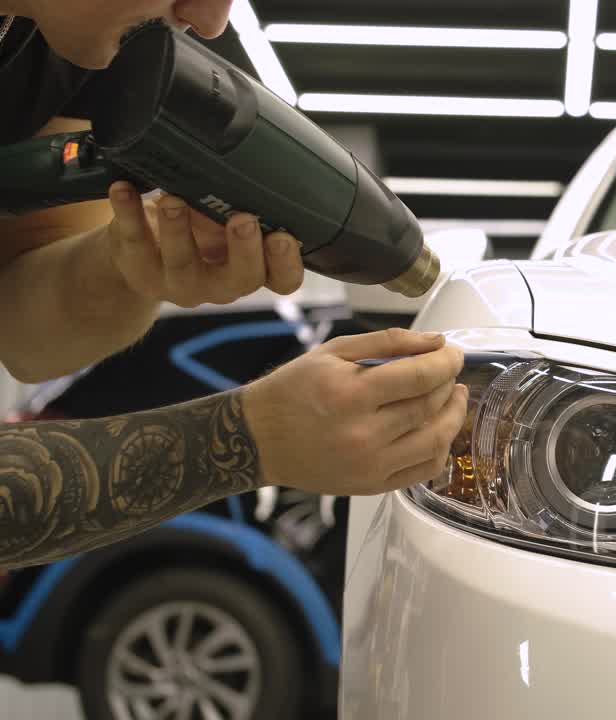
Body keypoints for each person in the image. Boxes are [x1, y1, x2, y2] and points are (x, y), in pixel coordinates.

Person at [0, 0, 468, 569]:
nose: (209, 20)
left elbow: (22, 330)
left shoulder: (57, 48)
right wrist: (250, 439)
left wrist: (123, 266)